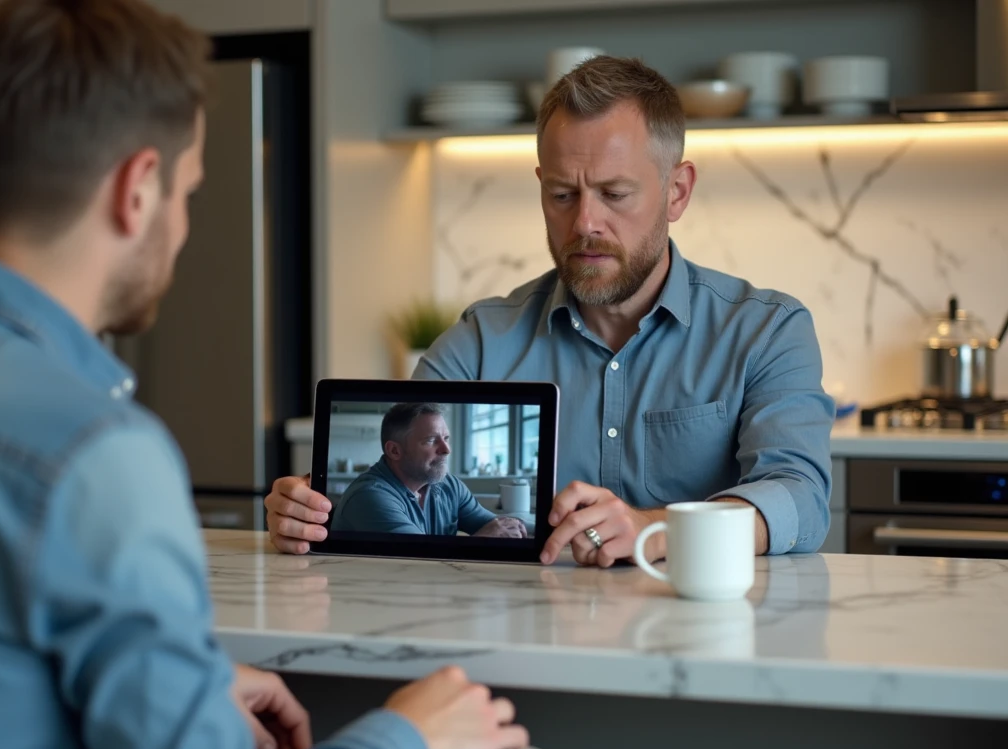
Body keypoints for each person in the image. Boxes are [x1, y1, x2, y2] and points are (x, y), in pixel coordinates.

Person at [0, 2, 569, 749]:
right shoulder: (95, 454)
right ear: (138, 190)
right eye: (189, 194)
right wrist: (406, 734)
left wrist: (185, 681)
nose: (180, 230)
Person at [266, 56, 834, 570]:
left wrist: (656, 528)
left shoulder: (767, 330)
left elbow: (799, 497)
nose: (585, 222)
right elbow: (398, 476)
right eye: (563, 195)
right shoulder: (483, 338)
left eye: (614, 194)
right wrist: (308, 512)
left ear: (676, 192)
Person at [332, 403, 529, 538]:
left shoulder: (448, 485)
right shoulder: (370, 496)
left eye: (446, 438)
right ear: (394, 450)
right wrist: (484, 539)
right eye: (431, 441)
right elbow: (420, 562)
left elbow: (495, 526)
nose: (446, 450)